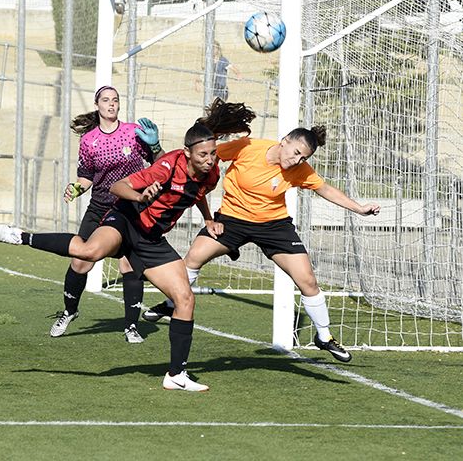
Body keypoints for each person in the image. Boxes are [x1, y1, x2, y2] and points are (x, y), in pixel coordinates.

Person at [0, 100, 256, 391]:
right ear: (187, 153)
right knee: (87, 252)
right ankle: (21, 236)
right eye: (203, 155)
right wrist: (141, 198)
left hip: (152, 239)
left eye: (213, 154)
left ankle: (176, 375)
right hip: (126, 220)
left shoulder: (213, 174)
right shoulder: (166, 166)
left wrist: (207, 218)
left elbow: (197, 193)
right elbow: (118, 186)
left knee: (185, 300)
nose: (210, 159)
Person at [142, 125, 381, 363]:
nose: (297, 160)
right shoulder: (248, 148)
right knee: (195, 256)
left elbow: (325, 189)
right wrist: (165, 161)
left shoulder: (301, 171)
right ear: (285, 140)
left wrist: (359, 208)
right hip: (232, 220)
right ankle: (171, 303)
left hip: (274, 226)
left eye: (303, 157)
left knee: (307, 279)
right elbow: (206, 156)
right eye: (296, 152)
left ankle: (325, 336)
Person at [51, 85, 162, 343]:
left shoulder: (134, 132)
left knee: (130, 264)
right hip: (99, 207)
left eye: (115, 100)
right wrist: (76, 188)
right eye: (106, 100)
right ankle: (69, 312)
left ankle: (131, 327)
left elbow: (158, 163)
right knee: (80, 260)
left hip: (131, 207)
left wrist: (155, 145)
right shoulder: (89, 140)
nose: (111, 104)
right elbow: (86, 178)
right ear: (97, 105)